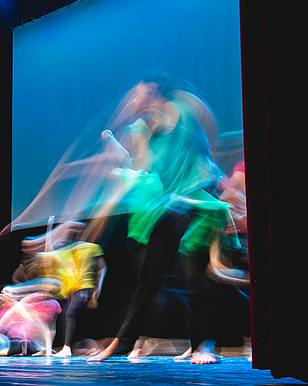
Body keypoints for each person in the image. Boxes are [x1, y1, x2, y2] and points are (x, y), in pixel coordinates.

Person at [88, 72, 236, 364]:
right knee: (149, 278)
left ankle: (204, 344)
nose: (132, 100)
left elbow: (212, 134)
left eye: (136, 93)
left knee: (192, 273)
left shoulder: (186, 104)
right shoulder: (148, 129)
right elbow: (140, 166)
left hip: (199, 197)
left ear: (151, 89)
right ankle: (121, 341)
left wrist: (211, 170)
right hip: (172, 203)